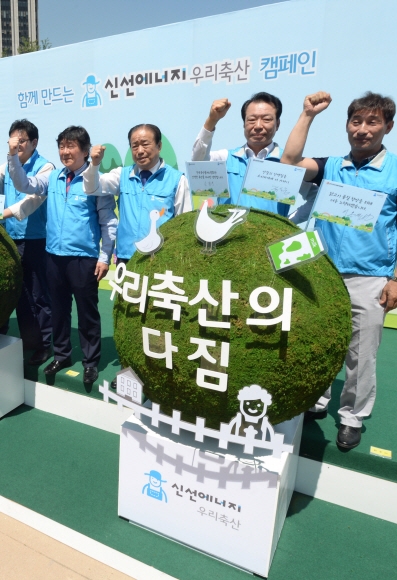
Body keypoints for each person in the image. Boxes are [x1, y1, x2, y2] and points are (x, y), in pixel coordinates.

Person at [280, 91, 397, 449]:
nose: (362, 129)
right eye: (356, 121)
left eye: (372, 122)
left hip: (370, 276)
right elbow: (287, 164)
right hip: (323, 272)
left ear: (388, 127)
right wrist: (307, 115)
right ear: (347, 125)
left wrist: (395, 278)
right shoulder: (330, 165)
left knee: (361, 354)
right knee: (316, 342)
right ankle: (316, 399)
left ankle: (352, 417)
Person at [83, 123, 192, 387]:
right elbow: (91, 186)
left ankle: (157, 373)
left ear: (158, 146)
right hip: (127, 262)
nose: (140, 150)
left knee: (158, 319)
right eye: (134, 145)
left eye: (145, 144)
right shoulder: (122, 175)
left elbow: (186, 223)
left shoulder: (177, 180)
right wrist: (94, 164)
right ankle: (128, 369)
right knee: (127, 317)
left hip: (161, 264)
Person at [7, 126, 117, 384]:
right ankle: (62, 354)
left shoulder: (96, 181)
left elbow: (108, 222)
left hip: (83, 258)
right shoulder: (54, 177)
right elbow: (24, 184)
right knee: (59, 310)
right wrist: (12, 156)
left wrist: (104, 257)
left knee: (87, 313)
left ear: (86, 150)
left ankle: (90, 362)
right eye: (62, 146)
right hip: (53, 256)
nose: (65, 152)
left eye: (72, 146)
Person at [191, 92, 316, 217]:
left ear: (277, 124)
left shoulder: (287, 163)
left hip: (273, 236)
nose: (258, 126)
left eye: (266, 119)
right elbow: (197, 163)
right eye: (251, 120)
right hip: (229, 235)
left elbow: (315, 198)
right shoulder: (226, 158)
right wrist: (212, 120)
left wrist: (288, 223)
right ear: (244, 124)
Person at [0, 119, 53, 365]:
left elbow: (29, 201)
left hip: (35, 240)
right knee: (19, 296)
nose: (17, 145)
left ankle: (44, 346)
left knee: (38, 295)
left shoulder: (46, 167)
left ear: (34, 142)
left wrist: (2, 214)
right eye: (13, 140)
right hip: (12, 238)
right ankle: (28, 342)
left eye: (21, 141)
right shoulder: (7, 165)